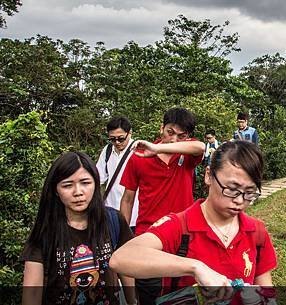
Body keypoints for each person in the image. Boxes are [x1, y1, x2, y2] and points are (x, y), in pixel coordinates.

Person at [110, 140, 278, 305]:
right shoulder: (179, 226)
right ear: (208, 176)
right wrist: (195, 267)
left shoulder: (256, 231)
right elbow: (121, 258)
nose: (240, 200)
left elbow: (266, 291)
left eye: (249, 193)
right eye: (232, 189)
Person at [22, 152, 135, 305]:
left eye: (85, 183)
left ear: (95, 183)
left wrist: (132, 300)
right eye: (68, 185)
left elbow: (125, 268)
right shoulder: (45, 231)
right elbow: (33, 291)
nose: (78, 192)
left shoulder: (113, 221)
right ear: (56, 190)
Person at [119, 107, 205, 305]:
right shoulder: (138, 158)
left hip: (183, 237)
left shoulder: (187, 155)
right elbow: (127, 199)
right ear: (161, 128)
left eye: (181, 136)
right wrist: (124, 236)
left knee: (181, 295)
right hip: (149, 236)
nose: (174, 139)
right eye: (170, 132)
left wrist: (158, 149)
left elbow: (200, 147)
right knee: (149, 293)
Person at [96, 116, 139, 232]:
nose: (117, 142)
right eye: (112, 139)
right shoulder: (108, 150)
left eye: (121, 138)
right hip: (110, 211)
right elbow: (98, 179)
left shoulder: (139, 151)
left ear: (130, 133)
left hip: (134, 215)